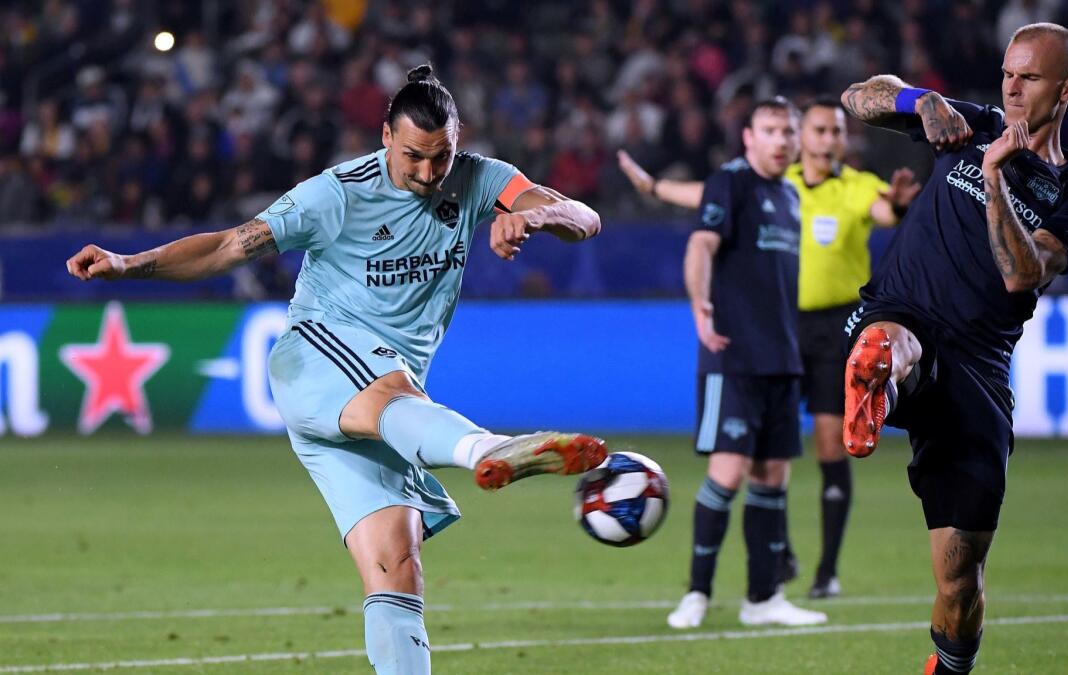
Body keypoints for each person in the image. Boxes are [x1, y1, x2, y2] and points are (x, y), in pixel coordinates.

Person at [65, 65, 607, 675]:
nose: (429, 175)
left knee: (396, 567)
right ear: (384, 137)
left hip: (387, 410)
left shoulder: (481, 179)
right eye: (413, 158)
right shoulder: (337, 194)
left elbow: (583, 217)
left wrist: (533, 217)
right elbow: (226, 245)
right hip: (318, 358)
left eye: (441, 158)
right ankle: (491, 447)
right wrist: (127, 263)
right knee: (392, 393)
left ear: (459, 142)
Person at [838, 23, 1068, 674]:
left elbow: (1023, 273)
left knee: (960, 577)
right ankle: (877, 381)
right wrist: (921, 102)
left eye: (1031, 78)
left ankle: (950, 668)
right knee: (890, 343)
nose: (1013, 90)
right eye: (1008, 75)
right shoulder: (975, 121)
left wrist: (993, 181)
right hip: (905, 310)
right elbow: (857, 96)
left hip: (978, 369)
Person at [618, 96, 922, 598]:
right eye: (818, 131)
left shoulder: (852, 187)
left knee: (824, 445)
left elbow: (885, 210)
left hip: (832, 327)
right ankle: (768, 560)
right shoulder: (780, 185)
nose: (827, 140)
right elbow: (709, 197)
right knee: (757, 459)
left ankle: (824, 570)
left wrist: (900, 203)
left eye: (835, 132)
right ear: (801, 137)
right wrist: (653, 187)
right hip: (775, 327)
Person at [660, 97, 828, 630]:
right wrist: (700, 304)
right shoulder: (729, 183)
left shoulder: (790, 194)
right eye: (770, 131)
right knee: (726, 473)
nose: (781, 141)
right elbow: (701, 246)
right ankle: (696, 594)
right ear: (749, 138)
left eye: (788, 132)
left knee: (772, 477)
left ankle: (764, 598)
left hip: (782, 356)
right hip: (733, 354)